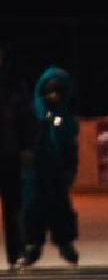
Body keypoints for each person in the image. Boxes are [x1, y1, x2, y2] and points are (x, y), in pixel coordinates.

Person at [16, 66, 80, 269]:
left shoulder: (64, 117)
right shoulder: (32, 112)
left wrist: (70, 168)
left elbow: (69, 143)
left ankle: (65, 243)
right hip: (34, 170)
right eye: (49, 91)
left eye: (57, 91)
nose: (52, 95)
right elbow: (22, 135)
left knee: (59, 207)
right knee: (32, 207)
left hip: (56, 170)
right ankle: (32, 245)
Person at [0, 43, 35, 269]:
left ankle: (17, 252)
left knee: (14, 206)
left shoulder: (15, 86)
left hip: (9, 154)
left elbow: (26, 120)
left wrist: (26, 148)